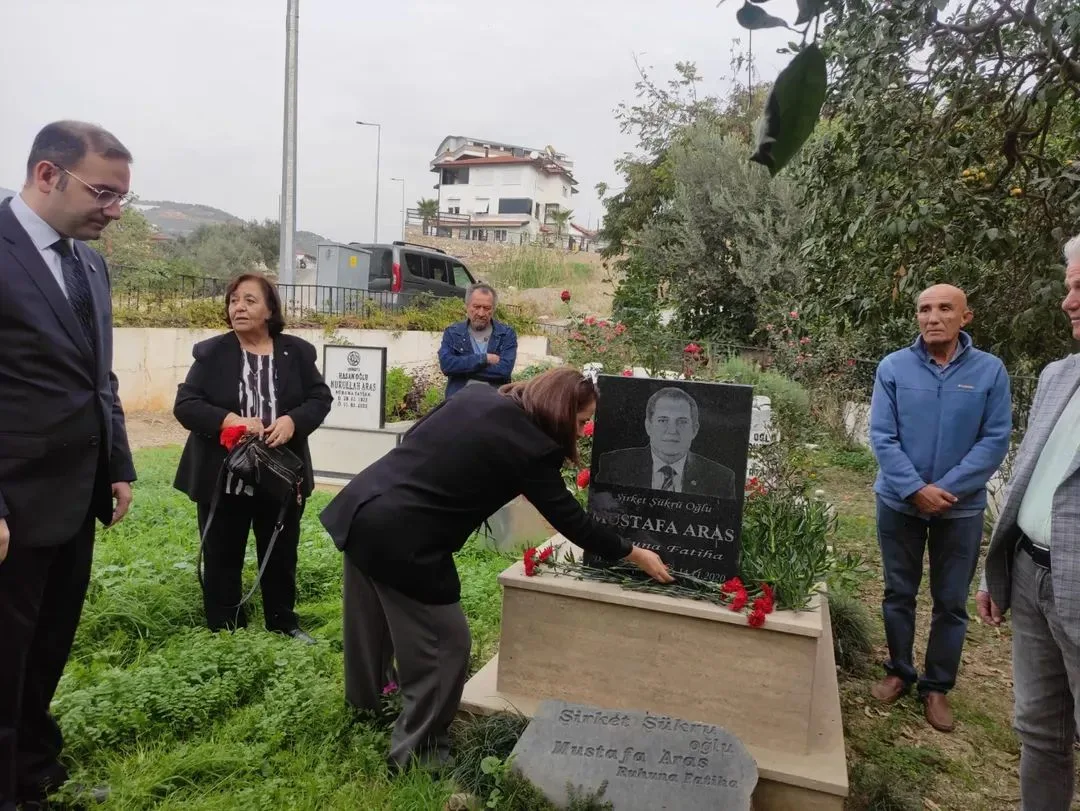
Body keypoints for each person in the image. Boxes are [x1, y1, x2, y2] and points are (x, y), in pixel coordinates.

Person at [319, 367, 673, 771]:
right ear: (559, 411)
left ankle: (367, 707)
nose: (581, 430)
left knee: (370, 623)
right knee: (446, 646)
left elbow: (415, 434)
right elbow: (572, 521)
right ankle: (418, 755)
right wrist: (632, 552)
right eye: (580, 421)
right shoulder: (530, 446)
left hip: (363, 507)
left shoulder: (477, 396)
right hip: (406, 537)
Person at [0, 121, 138, 811]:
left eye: (122, 198)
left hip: (74, 494)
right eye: (104, 192)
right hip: (12, 501)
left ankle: (34, 772)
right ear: (48, 175)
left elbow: (98, 376)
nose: (114, 210)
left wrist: (118, 461)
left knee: (47, 644)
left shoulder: (89, 263)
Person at [869, 284, 1011, 732]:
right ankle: (899, 671)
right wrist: (914, 488)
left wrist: (945, 489)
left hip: (961, 509)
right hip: (898, 502)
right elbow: (882, 436)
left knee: (951, 601)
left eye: (944, 308)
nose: (933, 317)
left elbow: (994, 440)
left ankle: (936, 686)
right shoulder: (893, 367)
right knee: (899, 592)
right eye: (924, 309)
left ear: (965, 317)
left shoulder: (990, 372)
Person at [976, 234, 1080, 810]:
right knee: (1039, 733)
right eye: (1069, 287)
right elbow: (1027, 484)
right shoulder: (1058, 376)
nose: (1068, 301)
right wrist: (996, 570)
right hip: (1029, 577)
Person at [173, 273, 332, 642]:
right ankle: (226, 630)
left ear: (269, 309)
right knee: (221, 555)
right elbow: (186, 405)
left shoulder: (297, 352)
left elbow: (320, 399)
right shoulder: (212, 353)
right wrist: (228, 420)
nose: (239, 308)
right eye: (233, 301)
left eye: (249, 300)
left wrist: (293, 422)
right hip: (224, 476)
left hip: (279, 474)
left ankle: (283, 623)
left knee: (280, 552)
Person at [596, 386, 737, 498]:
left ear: (694, 429)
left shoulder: (721, 480)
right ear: (648, 426)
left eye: (682, 422)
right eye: (663, 420)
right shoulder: (614, 466)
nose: (672, 430)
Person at [437, 282, 517, 397]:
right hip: (458, 402)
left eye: (486, 308)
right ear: (467, 306)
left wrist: (461, 367)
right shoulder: (453, 333)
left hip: (494, 403)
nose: (481, 313)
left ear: (493, 309)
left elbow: (504, 371)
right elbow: (446, 365)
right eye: (476, 307)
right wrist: (484, 359)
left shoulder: (506, 334)